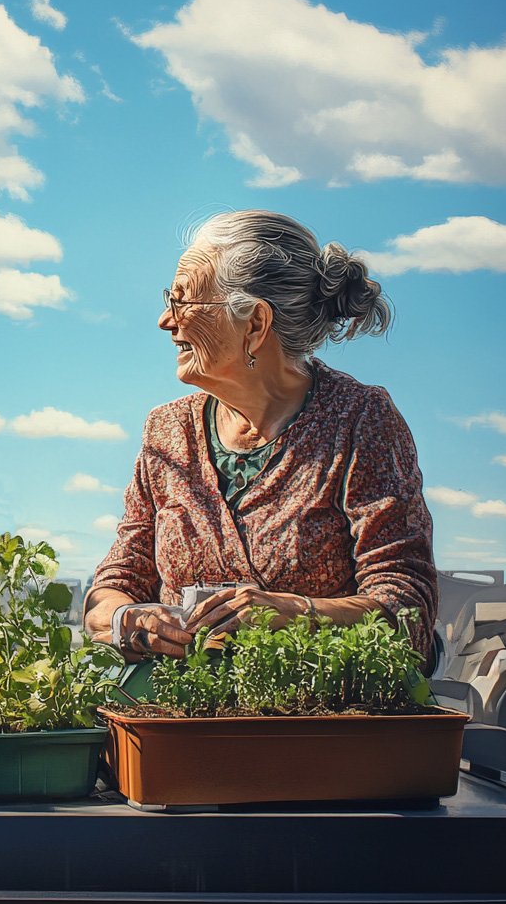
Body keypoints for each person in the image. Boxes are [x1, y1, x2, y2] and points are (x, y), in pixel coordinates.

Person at [84, 210, 437, 666]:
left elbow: (408, 610)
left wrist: (294, 615)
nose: (165, 321)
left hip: (319, 722)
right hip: (181, 713)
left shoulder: (360, 419)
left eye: (183, 301)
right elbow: (117, 581)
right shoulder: (167, 432)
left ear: (254, 324)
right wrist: (126, 620)